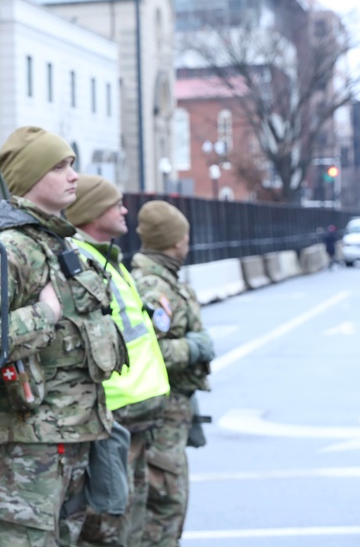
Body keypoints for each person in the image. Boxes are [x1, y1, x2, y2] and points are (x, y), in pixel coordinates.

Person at [0, 126, 128, 546]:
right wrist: (44, 314)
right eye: (59, 167)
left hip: (71, 438)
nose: (73, 175)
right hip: (26, 448)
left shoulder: (59, 244)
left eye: (72, 164)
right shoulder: (8, 248)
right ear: (29, 177)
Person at [63, 176, 171, 547]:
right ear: (93, 212)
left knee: (131, 522)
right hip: (113, 416)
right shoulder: (81, 261)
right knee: (107, 528)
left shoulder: (108, 260)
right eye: (116, 204)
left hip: (132, 413)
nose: (126, 211)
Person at [130, 201, 215, 547]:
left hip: (172, 413)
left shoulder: (165, 280)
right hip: (158, 416)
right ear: (177, 240)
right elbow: (147, 352)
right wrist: (194, 349)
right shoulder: (154, 287)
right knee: (162, 509)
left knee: (171, 504)